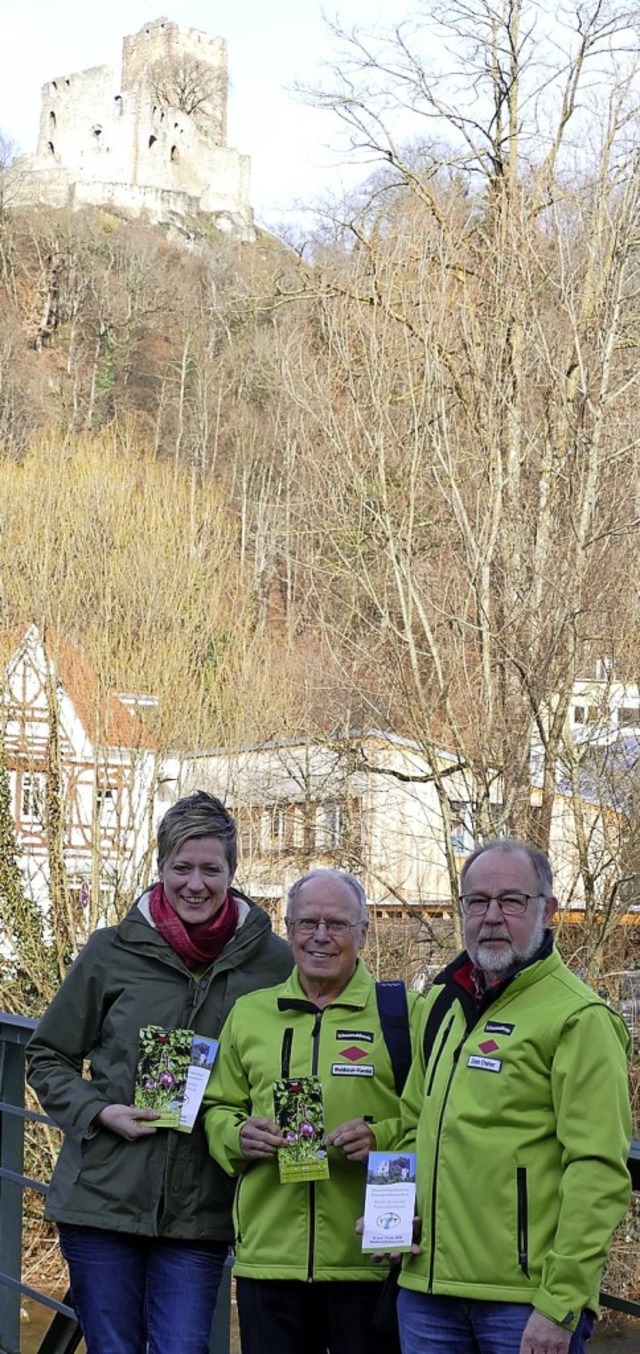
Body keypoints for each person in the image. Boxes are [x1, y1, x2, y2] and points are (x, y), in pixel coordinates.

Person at [26, 790, 293, 1354]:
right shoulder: (110, 952)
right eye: (182, 867)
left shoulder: (274, 964)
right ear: (160, 868)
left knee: (180, 1346)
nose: (195, 883)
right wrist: (98, 1112)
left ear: (233, 872)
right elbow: (46, 1055)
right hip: (102, 1197)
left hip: (203, 1206)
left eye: (210, 869)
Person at [395, 838, 631, 1354]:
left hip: (523, 1306)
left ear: (547, 910)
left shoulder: (579, 1018)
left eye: (512, 900)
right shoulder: (441, 1006)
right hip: (426, 1293)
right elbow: (414, 1124)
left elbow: (598, 1170)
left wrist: (559, 1303)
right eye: (477, 901)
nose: (492, 916)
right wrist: (396, 1211)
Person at [202, 867, 425, 1354]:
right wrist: (237, 1137)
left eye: (337, 924)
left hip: (368, 1258)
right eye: (307, 923)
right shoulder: (251, 1012)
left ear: (363, 933)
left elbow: (434, 1119)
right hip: (269, 1259)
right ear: (288, 929)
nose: (320, 936)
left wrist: (380, 1137)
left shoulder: (405, 1014)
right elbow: (217, 1107)